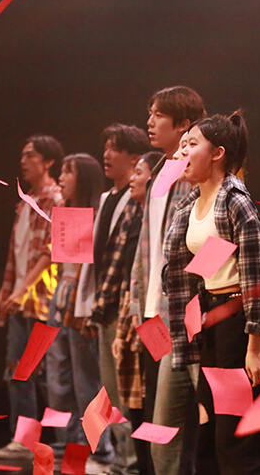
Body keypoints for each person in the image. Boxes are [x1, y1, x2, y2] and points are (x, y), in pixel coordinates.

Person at [165, 111, 260, 475]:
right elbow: (191, 271)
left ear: (217, 153)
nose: (183, 152)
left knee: (235, 432)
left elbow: (259, 272)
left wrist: (254, 347)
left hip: (238, 321)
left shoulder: (234, 199)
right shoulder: (189, 204)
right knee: (208, 426)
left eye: (191, 144)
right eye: (182, 145)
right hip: (211, 319)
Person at [128, 86, 206, 475]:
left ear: (183, 125)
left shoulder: (197, 175)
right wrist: (135, 304)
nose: (150, 121)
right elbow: (146, 245)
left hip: (184, 313)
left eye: (158, 114)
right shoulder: (159, 171)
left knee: (194, 419)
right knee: (160, 419)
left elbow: (204, 245)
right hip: (153, 313)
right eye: (151, 113)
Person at [75, 123, 150, 474]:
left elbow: (128, 263)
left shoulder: (137, 202)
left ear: (135, 159)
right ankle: (121, 459)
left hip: (126, 307)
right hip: (104, 305)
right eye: (105, 147)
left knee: (126, 390)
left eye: (114, 149)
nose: (106, 154)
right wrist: (88, 305)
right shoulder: (107, 199)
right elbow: (96, 261)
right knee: (110, 387)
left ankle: (128, 462)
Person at [0, 135, 64, 459]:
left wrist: (21, 291)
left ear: (48, 162)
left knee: (44, 374)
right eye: (22, 155)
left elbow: (51, 253)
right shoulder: (25, 201)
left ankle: (64, 444)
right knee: (18, 371)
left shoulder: (56, 199)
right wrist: (4, 293)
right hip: (20, 302)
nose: (23, 161)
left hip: (41, 303)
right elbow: (15, 255)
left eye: (30, 155)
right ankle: (25, 442)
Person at [44, 153, 116, 462]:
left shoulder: (98, 215)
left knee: (87, 377)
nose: (61, 178)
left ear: (83, 178)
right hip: (61, 294)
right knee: (57, 373)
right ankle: (67, 440)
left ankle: (99, 446)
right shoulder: (66, 213)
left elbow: (93, 269)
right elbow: (62, 265)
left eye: (67, 172)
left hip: (82, 298)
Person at [111, 151, 164, 475]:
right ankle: (140, 466)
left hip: (159, 317)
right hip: (137, 317)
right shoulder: (140, 214)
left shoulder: (164, 212)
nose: (133, 177)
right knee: (138, 400)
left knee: (157, 399)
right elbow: (134, 275)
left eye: (139, 172)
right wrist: (125, 324)